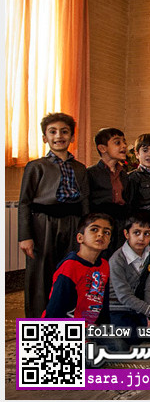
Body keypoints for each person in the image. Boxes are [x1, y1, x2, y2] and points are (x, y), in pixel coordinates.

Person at [18, 112, 89, 318]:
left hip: (73, 224)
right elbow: (24, 203)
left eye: (64, 132)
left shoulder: (80, 168)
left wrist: (85, 231)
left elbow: (85, 201)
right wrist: (25, 236)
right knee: (41, 273)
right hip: (43, 225)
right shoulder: (36, 167)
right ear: (44, 138)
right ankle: (38, 322)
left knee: (70, 270)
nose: (59, 136)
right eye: (53, 132)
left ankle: (66, 320)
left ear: (72, 137)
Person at [108, 210, 150, 347]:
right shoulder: (117, 259)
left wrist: (149, 314)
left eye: (147, 234)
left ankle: (138, 327)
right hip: (118, 309)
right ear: (127, 234)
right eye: (136, 232)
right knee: (133, 337)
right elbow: (124, 296)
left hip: (138, 309)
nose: (141, 238)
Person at [43, 213, 113, 325]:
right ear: (80, 238)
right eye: (94, 230)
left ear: (109, 242)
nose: (101, 234)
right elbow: (55, 309)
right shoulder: (70, 267)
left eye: (107, 232)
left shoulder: (104, 265)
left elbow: (104, 305)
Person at [88, 127, 130, 256]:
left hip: (121, 224)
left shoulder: (124, 174)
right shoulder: (91, 173)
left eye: (124, 142)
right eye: (117, 143)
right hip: (101, 224)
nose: (124, 146)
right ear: (102, 148)